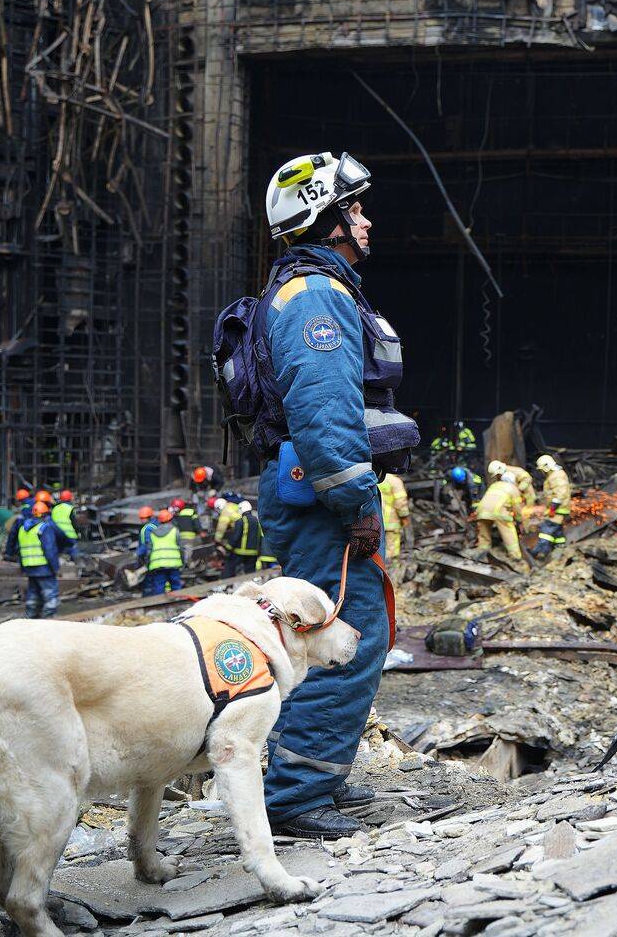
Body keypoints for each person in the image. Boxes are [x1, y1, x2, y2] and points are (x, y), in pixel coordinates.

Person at [254, 149, 417, 838]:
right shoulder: (316, 296)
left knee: (342, 636)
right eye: (354, 208)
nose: (367, 220)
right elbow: (324, 417)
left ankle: (317, 775)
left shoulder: (317, 288)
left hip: (313, 497)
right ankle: (295, 795)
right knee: (344, 640)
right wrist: (356, 507)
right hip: (325, 503)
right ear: (324, 218)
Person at [17, 500, 62, 619]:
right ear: (45, 514)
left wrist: (23, 568)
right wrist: (55, 568)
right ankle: (48, 621)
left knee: (33, 595)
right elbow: (50, 550)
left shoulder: (22, 529)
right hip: (44, 568)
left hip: (30, 568)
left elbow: (19, 550)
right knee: (50, 596)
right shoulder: (43, 528)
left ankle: (30, 619)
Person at [530, 454, 573, 560]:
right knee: (557, 530)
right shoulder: (555, 475)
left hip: (558, 508)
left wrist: (553, 508)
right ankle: (560, 545)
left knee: (546, 529)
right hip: (558, 508)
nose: (542, 472)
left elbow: (560, 494)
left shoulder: (556, 476)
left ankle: (539, 552)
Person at [475, 471, 525, 562]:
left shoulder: (495, 485)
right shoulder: (513, 488)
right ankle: (515, 555)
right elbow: (517, 508)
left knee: (484, 532)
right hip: (499, 512)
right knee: (508, 532)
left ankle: (482, 551)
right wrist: (519, 520)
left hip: (482, 511)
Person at [138, 508, 184, 596]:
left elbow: (148, 549)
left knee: (158, 586)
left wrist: (147, 563)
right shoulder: (175, 531)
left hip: (157, 564)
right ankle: (178, 603)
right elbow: (181, 548)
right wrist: (183, 562)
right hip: (174, 562)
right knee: (176, 585)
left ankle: (159, 604)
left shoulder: (153, 532)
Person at [220, 501, 262, 576]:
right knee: (250, 573)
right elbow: (260, 537)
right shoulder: (256, 521)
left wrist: (228, 548)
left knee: (229, 568)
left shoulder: (241, 521)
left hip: (240, 552)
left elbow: (236, 536)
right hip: (253, 553)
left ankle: (224, 584)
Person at [378, 472, 411, 560]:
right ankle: (391, 568)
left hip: (376, 520)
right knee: (392, 549)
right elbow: (400, 503)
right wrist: (404, 517)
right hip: (391, 521)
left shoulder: (376, 479)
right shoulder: (395, 481)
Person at [50, 489, 80, 561]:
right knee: (74, 552)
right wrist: (78, 533)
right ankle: (76, 565)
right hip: (70, 536)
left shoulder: (55, 508)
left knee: (59, 554)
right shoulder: (70, 508)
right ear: (70, 498)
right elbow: (74, 523)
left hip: (57, 535)